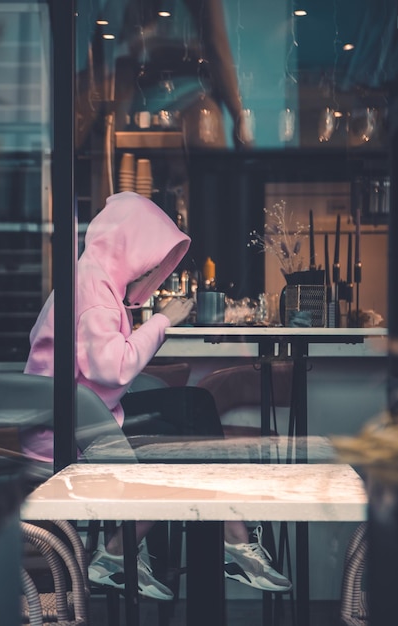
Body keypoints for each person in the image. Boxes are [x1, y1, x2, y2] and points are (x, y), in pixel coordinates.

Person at [22, 191, 291, 600]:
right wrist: (164, 320)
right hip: (70, 431)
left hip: (78, 417)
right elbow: (113, 369)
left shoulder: (91, 279)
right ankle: (227, 540)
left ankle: (125, 553)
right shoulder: (93, 291)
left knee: (194, 413)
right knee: (191, 427)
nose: (150, 269)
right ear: (128, 246)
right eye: (149, 259)